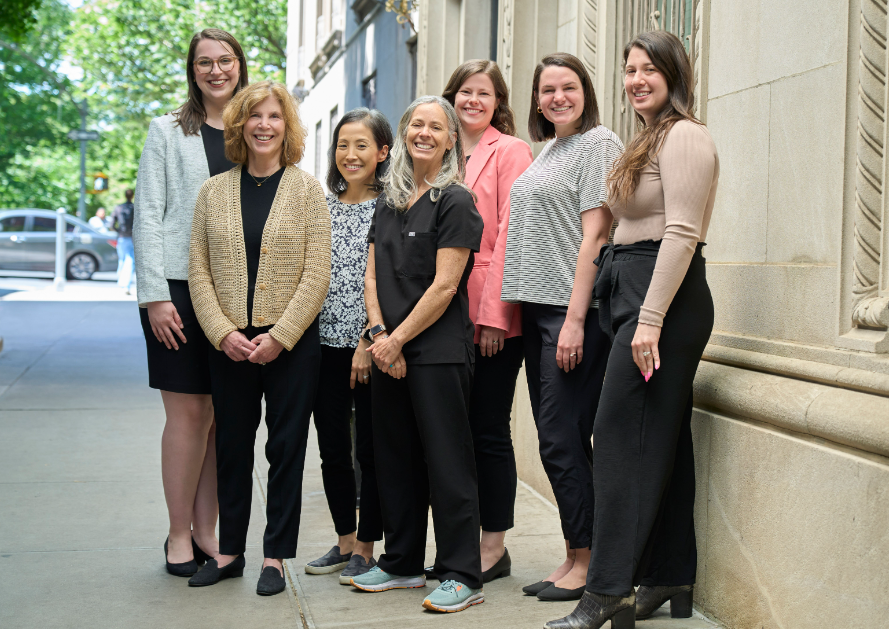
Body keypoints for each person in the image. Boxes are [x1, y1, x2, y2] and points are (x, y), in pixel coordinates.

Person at [545, 31, 720, 629]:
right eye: (630, 69)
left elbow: (682, 231)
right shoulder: (650, 138)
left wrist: (649, 318)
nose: (637, 79)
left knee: (617, 438)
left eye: (650, 69)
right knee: (662, 439)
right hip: (631, 291)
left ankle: (608, 590)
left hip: (662, 300)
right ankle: (669, 571)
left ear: (675, 74)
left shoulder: (687, 136)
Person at [186, 80, 331, 596]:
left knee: (287, 447)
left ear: (285, 126)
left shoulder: (308, 189)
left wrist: (282, 334)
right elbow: (198, 269)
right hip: (229, 344)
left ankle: (275, 556)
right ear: (239, 125)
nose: (264, 126)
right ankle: (229, 552)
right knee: (231, 446)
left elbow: (319, 271)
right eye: (254, 117)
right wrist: (222, 331)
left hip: (290, 345)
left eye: (274, 117)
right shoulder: (213, 191)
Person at [350, 96, 485, 615]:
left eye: (436, 127)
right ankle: (402, 562)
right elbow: (371, 274)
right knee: (395, 460)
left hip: (436, 353)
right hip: (390, 348)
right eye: (416, 125)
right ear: (404, 133)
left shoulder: (456, 201)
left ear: (452, 138)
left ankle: (461, 574)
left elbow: (446, 285)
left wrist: (397, 341)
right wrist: (381, 334)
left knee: (448, 464)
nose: (424, 133)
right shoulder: (389, 198)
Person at [501, 52, 623, 602]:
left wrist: (574, 321)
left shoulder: (598, 144)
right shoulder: (550, 147)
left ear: (585, 91)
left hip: (572, 314)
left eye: (568, 87)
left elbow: (596, 238)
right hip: (538, 311)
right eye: (547, 89)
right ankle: (576, 553)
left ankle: (592, 561)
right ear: (536, 99)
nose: (557, 98)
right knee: (561, 437)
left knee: (560, 436)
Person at [133, 28, 247, 577]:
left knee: (222, 418)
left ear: (239, 65)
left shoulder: (257, 127)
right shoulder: (167, 131)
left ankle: (208, 532)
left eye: (225, 60)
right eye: (205, 62)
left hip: (236, 294)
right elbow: (148, 214)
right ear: (192, 69)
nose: (216, 70)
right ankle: (179, 533)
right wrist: (154, 296)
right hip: (176, 289)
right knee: (188, 415)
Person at [436, 59, 532, 582]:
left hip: (493, 317)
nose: (473, 101)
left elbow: (513, 235)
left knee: (488, 429)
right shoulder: (439, 151)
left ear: (498, 102)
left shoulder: (510, 150)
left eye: (485, 93)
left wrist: (495, 317)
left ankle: (492, 546)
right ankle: (461, 539)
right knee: (454, 432)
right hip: (441, 314)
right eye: (465, 92)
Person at [304, 108, 392, 585]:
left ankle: (367, 547)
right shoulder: (320, 206)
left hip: (369, 348)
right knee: (333, 448)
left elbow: (392, 283)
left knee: (371, 452)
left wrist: (367, 340)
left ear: (382, 152)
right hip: (321, 348)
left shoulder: (392, 206)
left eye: (361, 145)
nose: (350, 154)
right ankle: (343, 540)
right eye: (342, 145)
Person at [111, 190, 136, 293]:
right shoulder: (135, 208)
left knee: (122, 259)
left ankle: (121, 283)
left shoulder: (118, 208)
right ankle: (126, 285)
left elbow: (111, 225)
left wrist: (119, 231)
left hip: (121, 238)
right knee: (129, 260)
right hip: (131, 237)